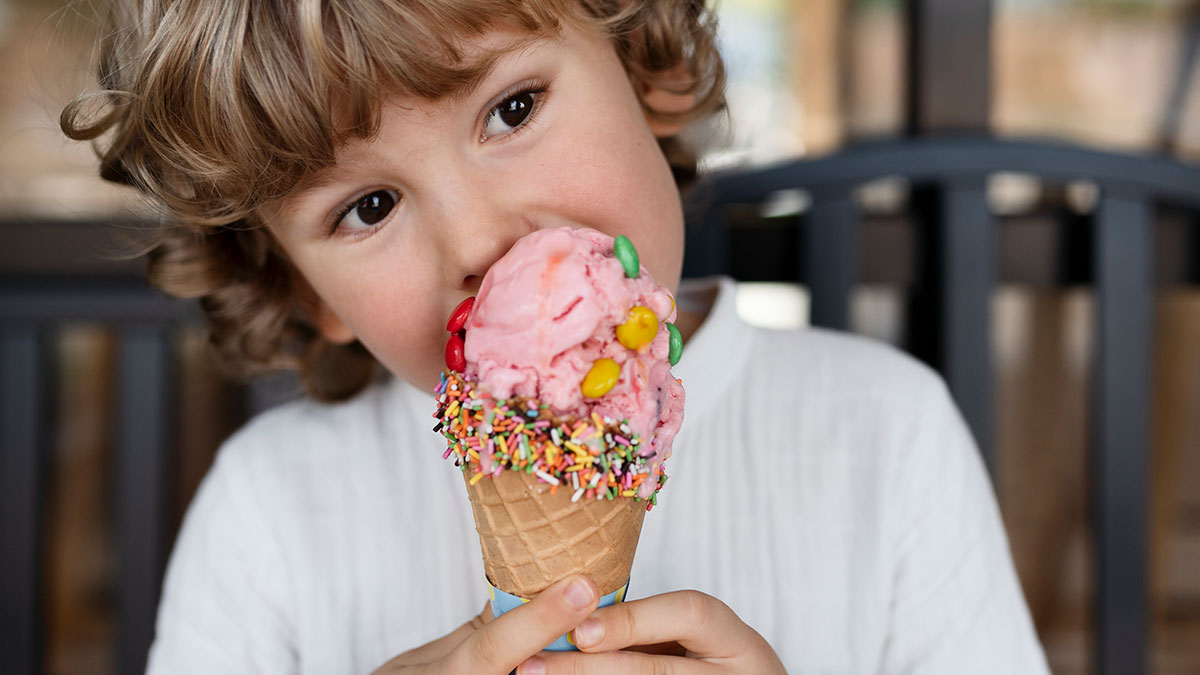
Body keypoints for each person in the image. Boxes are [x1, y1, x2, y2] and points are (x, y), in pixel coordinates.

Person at [62, 1, 1049, 672]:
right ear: (305, 290)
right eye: (367, 206)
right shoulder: (268, 510)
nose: (481, 236)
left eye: (513, 108)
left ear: (646, 69)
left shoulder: (883, 431)